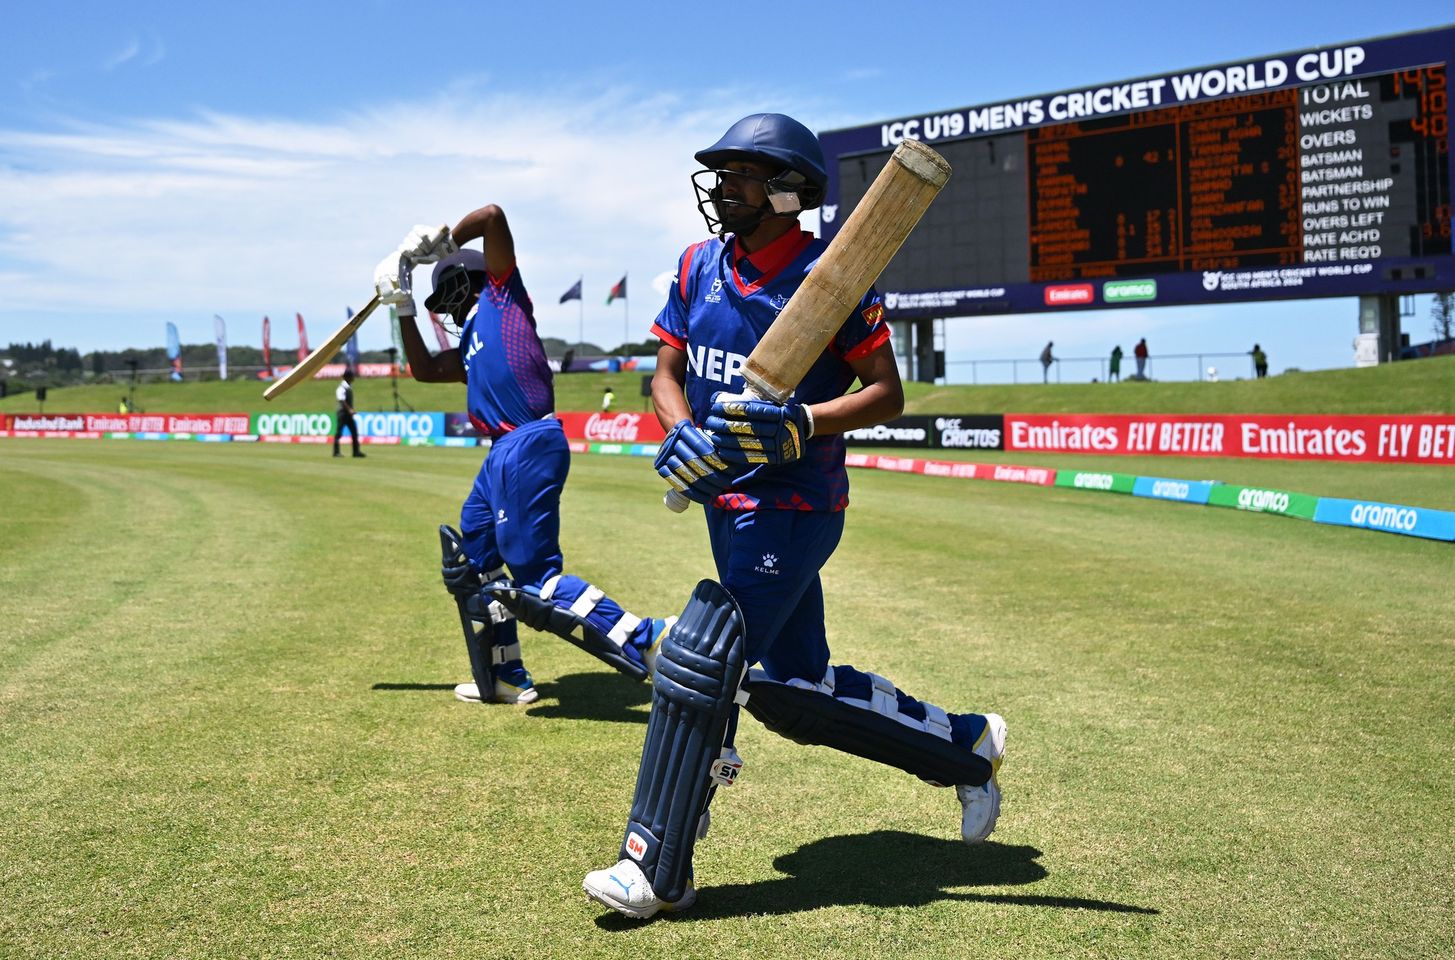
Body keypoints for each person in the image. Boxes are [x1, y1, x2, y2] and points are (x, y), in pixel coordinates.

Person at [581, 113, 1006, 920]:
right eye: (721, 173)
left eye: (741, 174)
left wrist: (804, 422)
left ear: (787, 191)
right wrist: (680, 432)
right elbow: (665, 374)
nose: (722, 187)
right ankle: (966, 749)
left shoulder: (832, 279)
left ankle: (655, 864)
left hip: (794, 503)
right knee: (795, 692)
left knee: (703, 658)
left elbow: (885, 393)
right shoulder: (697, 265)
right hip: (724, 499)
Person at [373, 209, 676, 706]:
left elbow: (492, 218)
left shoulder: (502, 298)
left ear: (463, 279)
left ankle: (647, 638)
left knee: (535, 576)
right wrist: (401, 305)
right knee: (474, 562)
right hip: (500, 454)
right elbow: (424, 369)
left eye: (445, 294)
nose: (445, 310)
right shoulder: (469, 343)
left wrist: (442, 243)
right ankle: (505, 675)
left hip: (527, 441)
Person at [333, 369, 363, 458]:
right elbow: (341, 400)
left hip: (348, 414)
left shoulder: (348, 387)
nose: (353, 378)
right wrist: (350, 409)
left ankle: (356, 452)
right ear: (347, 377)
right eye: (352, 376)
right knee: (339, 433)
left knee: (354, 432)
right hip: (342, 413)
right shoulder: (342, 388)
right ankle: (336, 452)